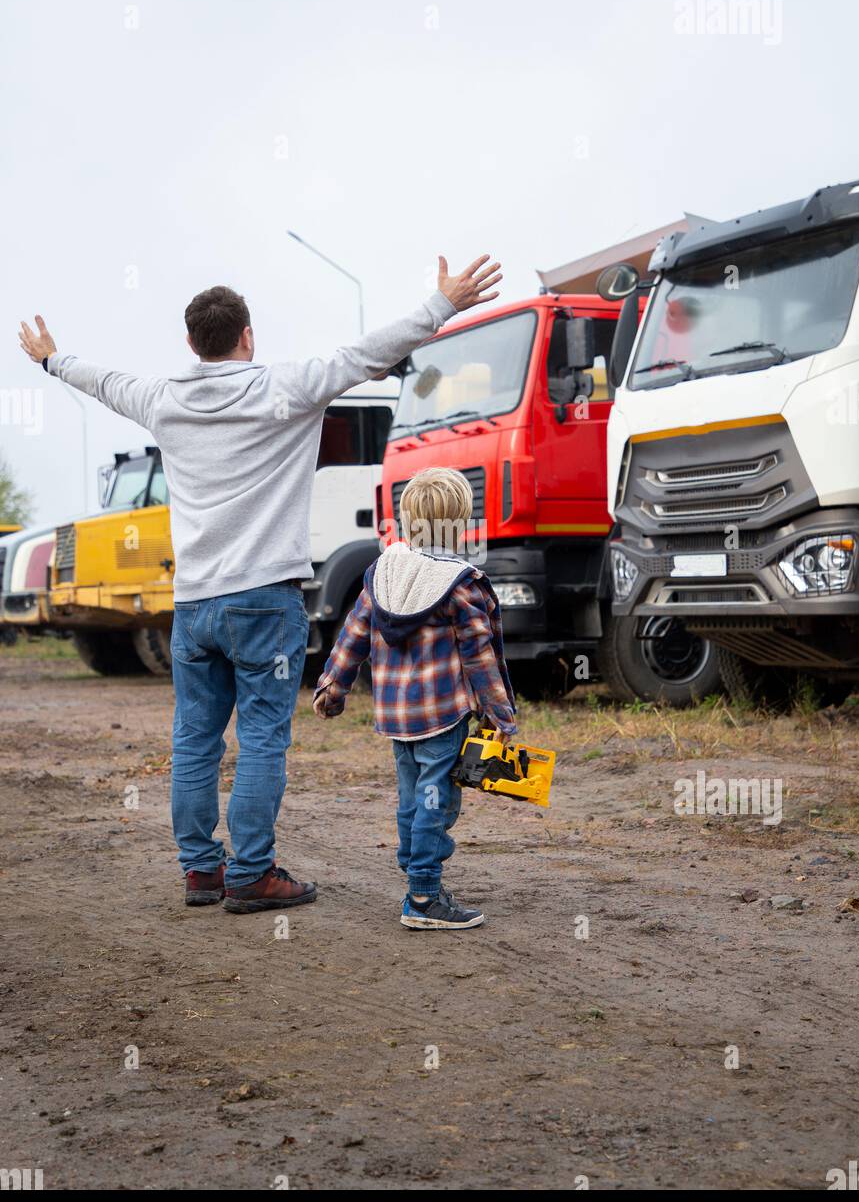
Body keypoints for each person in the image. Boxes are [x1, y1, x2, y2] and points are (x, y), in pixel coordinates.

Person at [18, 254, 502, 913]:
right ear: (248, 336)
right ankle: (250, 874)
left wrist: (51, 360)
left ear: (191, 343)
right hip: (266, 601)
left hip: (192, 605)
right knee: (262, 739)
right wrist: (441, 304)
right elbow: (368, 353)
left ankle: (200, 872)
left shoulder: (162, 398)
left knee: (194, 738)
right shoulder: (287, 387)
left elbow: (103, 381)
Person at [312, 466, 517, 930]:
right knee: (437, 801)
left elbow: (353, 635)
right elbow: (480, 657)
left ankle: (416, 871)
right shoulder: (462, 583)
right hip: (443, 716)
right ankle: (423, 896)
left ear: (408, 518)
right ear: (461, 519)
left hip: (395, 716)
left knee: (413, 797)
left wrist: (333, 686)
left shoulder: (382, 574)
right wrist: (501, 716)